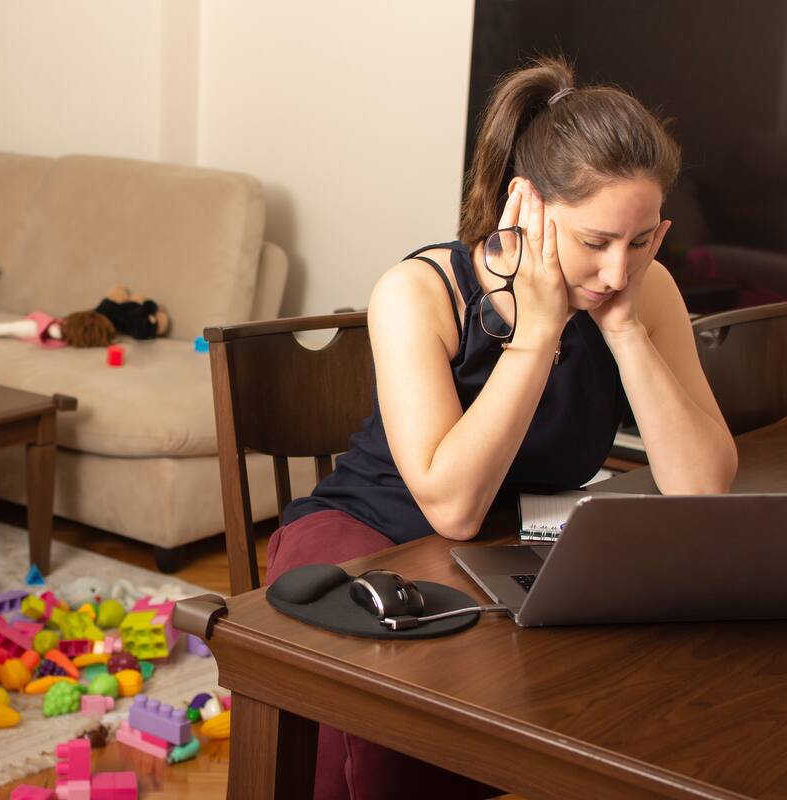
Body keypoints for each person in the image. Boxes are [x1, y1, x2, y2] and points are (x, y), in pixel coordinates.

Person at [270, 56, 739, 799]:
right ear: (529, 206)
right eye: (595, 242)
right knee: (396, 733)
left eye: (642, 240)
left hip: (501, 548)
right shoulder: (419, 292)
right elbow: (453, 508)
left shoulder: (640, 292)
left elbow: (703, 488)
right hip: (370, 536)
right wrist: (539, 329)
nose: (618, 272)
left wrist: (625, 333)